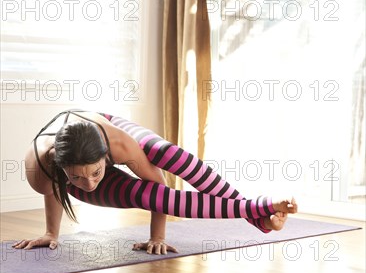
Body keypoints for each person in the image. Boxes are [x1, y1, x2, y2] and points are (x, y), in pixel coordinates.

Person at [13, 110, 298, 255]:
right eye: (76, 176)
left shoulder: (118, 143)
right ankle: (258, 212)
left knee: (165, 154)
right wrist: (52, 233)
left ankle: (257, 214)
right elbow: (53, 193)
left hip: (111, 129)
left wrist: (157, 236)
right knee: (140, 194)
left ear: (106, 158)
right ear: (61, 168)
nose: (88, 183)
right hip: (73, 163)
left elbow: (158, 185)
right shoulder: (39, 168)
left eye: (96, 173)